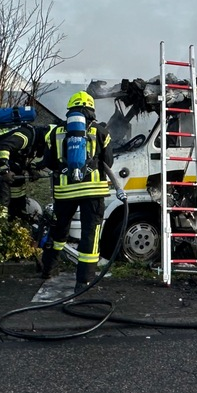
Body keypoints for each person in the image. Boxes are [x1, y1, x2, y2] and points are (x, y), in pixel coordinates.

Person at [40, 91, 116, 288]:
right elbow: (108, 162)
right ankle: (83, 281)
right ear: (91, 110)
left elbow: (48, 162)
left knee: (58, 232)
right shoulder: (101, 132)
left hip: (65, 193)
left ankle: (47, 269)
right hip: (93, 192)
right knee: (90, 235)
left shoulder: (54, 132)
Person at [0, 113, 44, 220]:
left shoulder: (31, 137)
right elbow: (4, 147)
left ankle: (15, 214)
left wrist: (30, 170)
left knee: (18, 182)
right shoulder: (26, 137)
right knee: (2, 189)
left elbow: (18, 156)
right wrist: (5, 172)